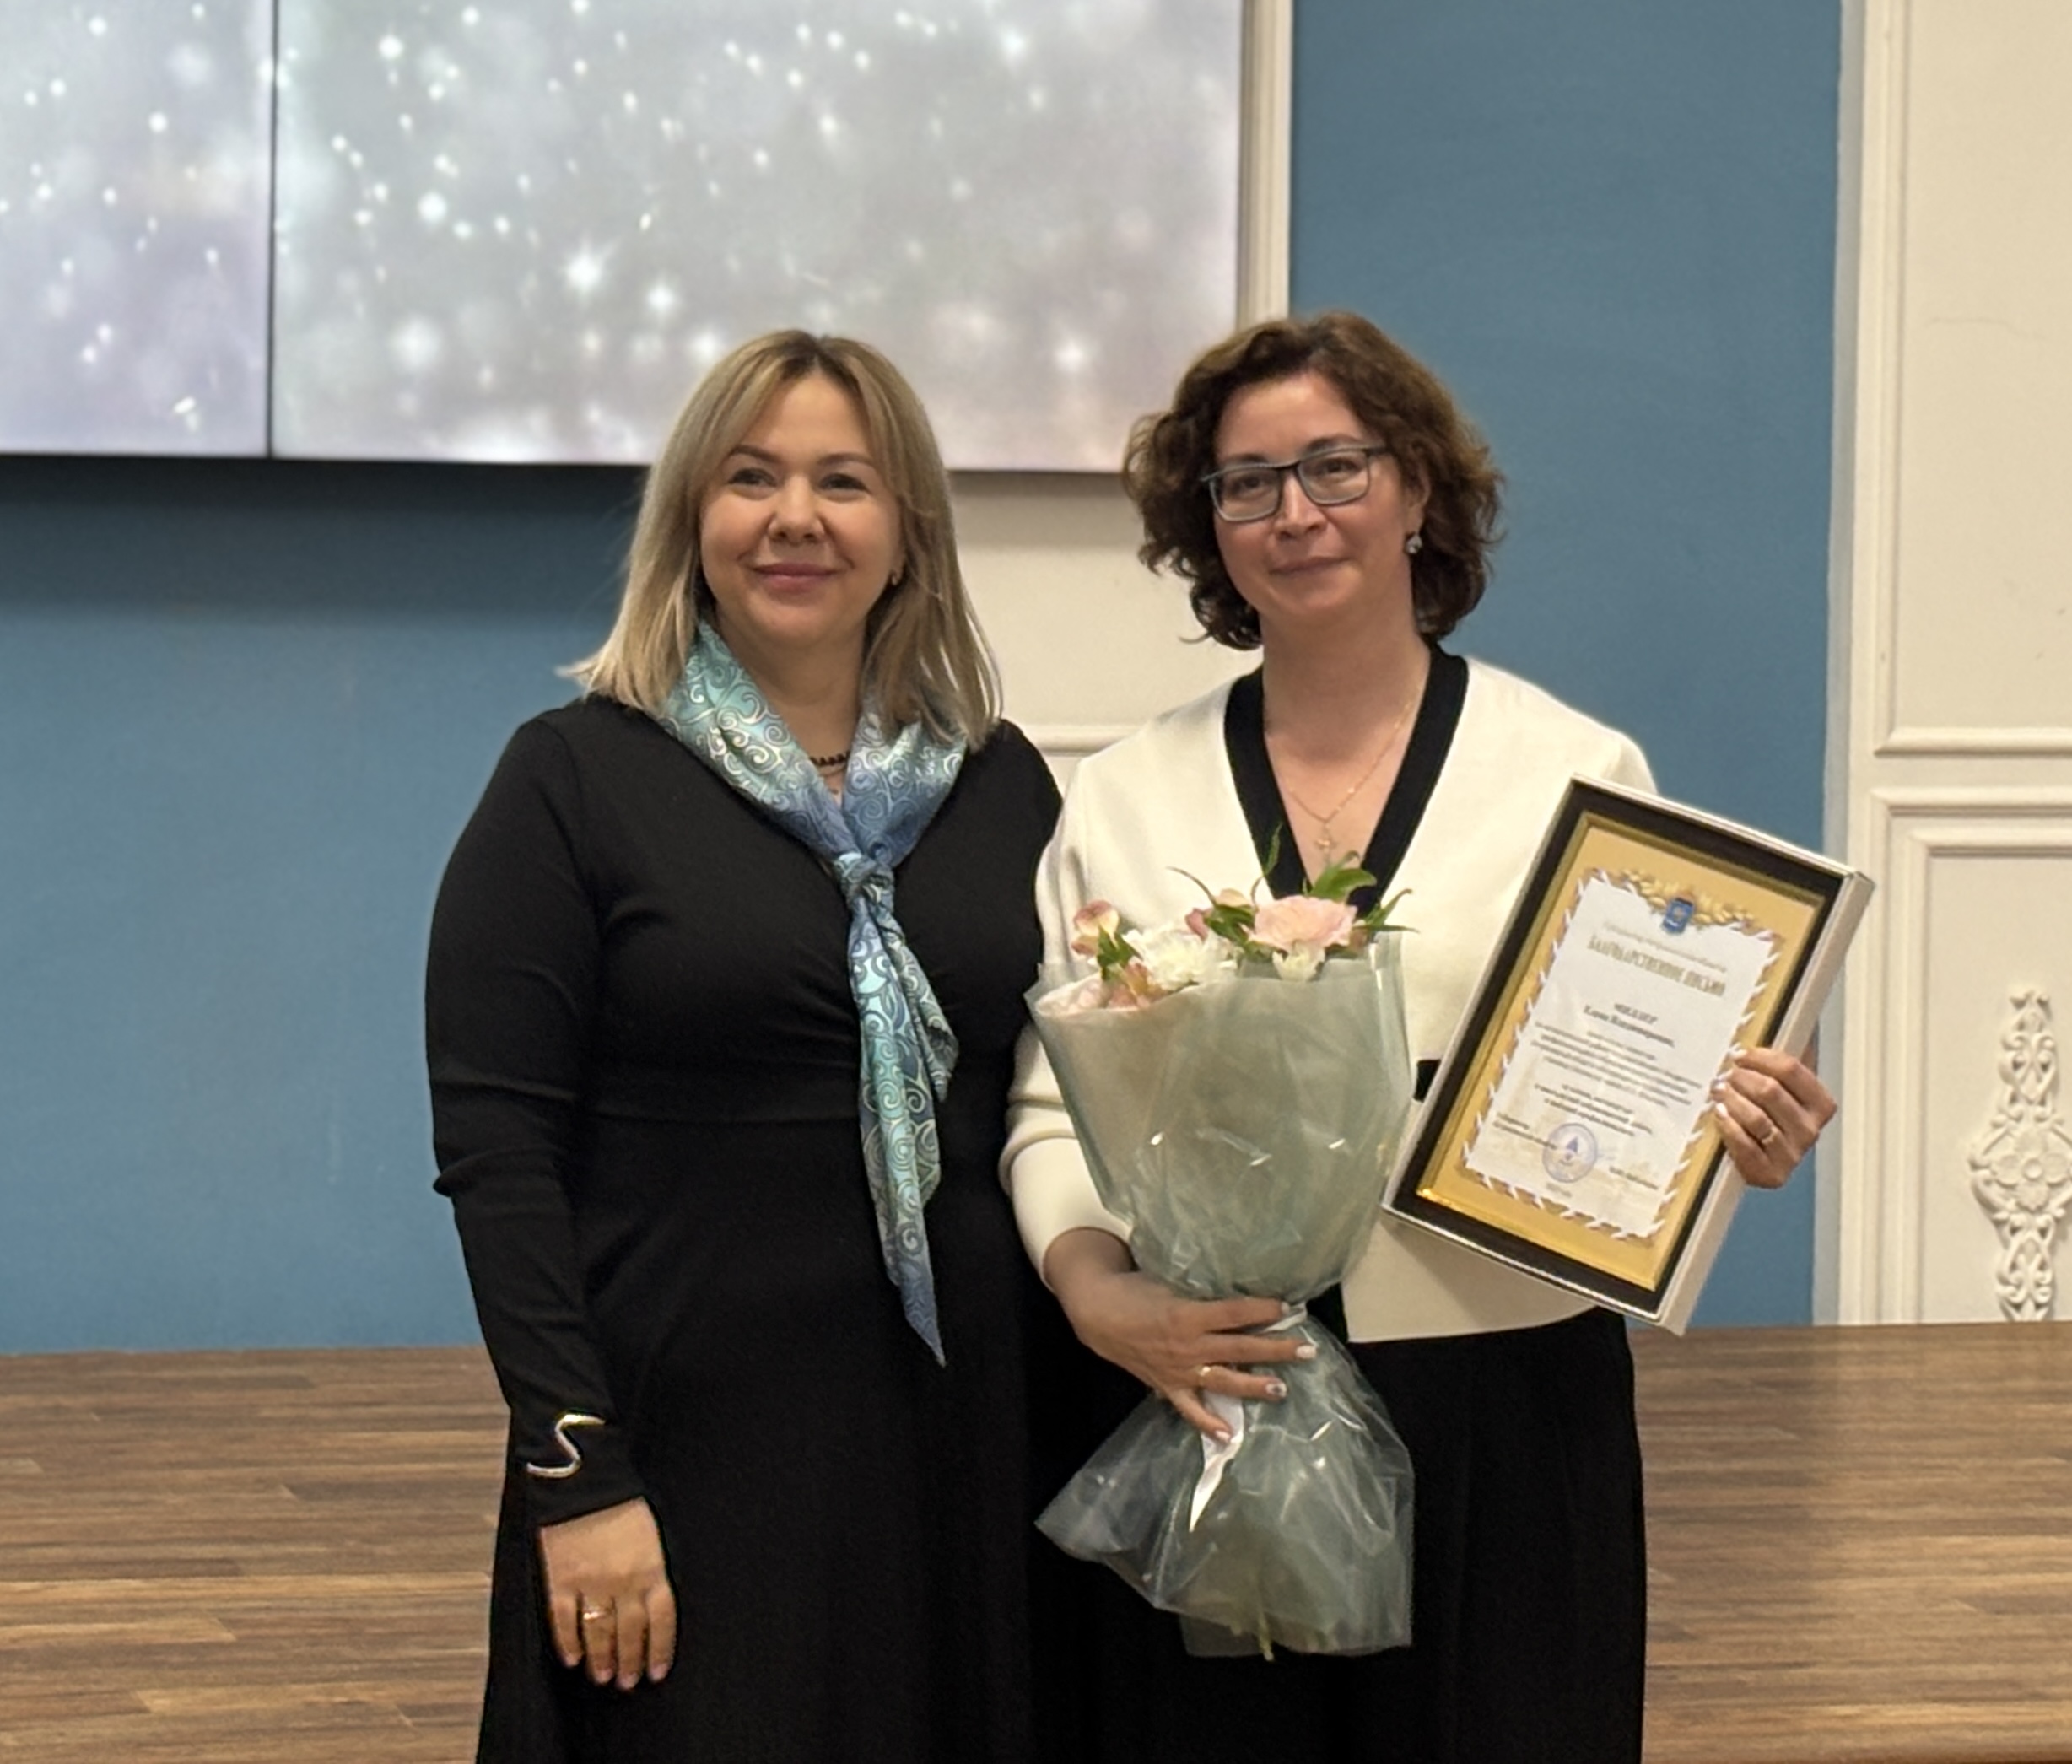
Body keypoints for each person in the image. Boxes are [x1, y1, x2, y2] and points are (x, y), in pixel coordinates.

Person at [1004, 310, 1837, 1763]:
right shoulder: (1129, 794)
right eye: (1247, 483)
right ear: (1210, 530)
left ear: (1417, 494)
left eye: (1336, 466)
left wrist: (1728, 1138)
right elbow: (1052, 1106)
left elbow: (1657, 1075)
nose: (1295, 513)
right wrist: (1095, 1294)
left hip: (1503, 1398)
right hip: (1214, 1380)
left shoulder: (1570, 771)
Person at [426, 331, 1060, 1763]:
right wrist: (577, 1478)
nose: (795, 518)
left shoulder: (1000, 782)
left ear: (907, 532)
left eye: (845, 481)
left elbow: (1063, 1098)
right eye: (751, 477)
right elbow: (498, 1155)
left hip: (965, 1444)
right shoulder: (574, 777)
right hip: (688, 1446)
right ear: (691, 521)